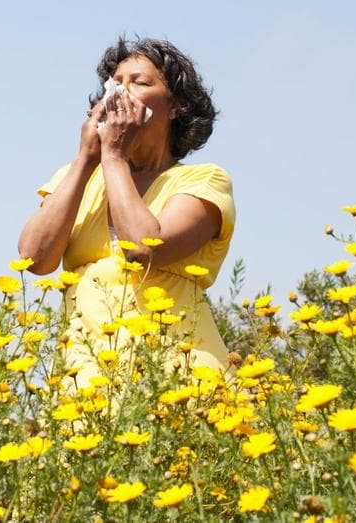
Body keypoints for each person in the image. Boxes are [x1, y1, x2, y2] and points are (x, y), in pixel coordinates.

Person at [17, 37, 235, 390]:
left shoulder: (203, 180)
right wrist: (87, 159)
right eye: (116, 82)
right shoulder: (79, 177)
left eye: (140, 82)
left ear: (176, 106)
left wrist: (114, 157)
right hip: (86, 380)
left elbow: (144, 249)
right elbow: (34, 259)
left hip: (177, 376)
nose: (121, 92)